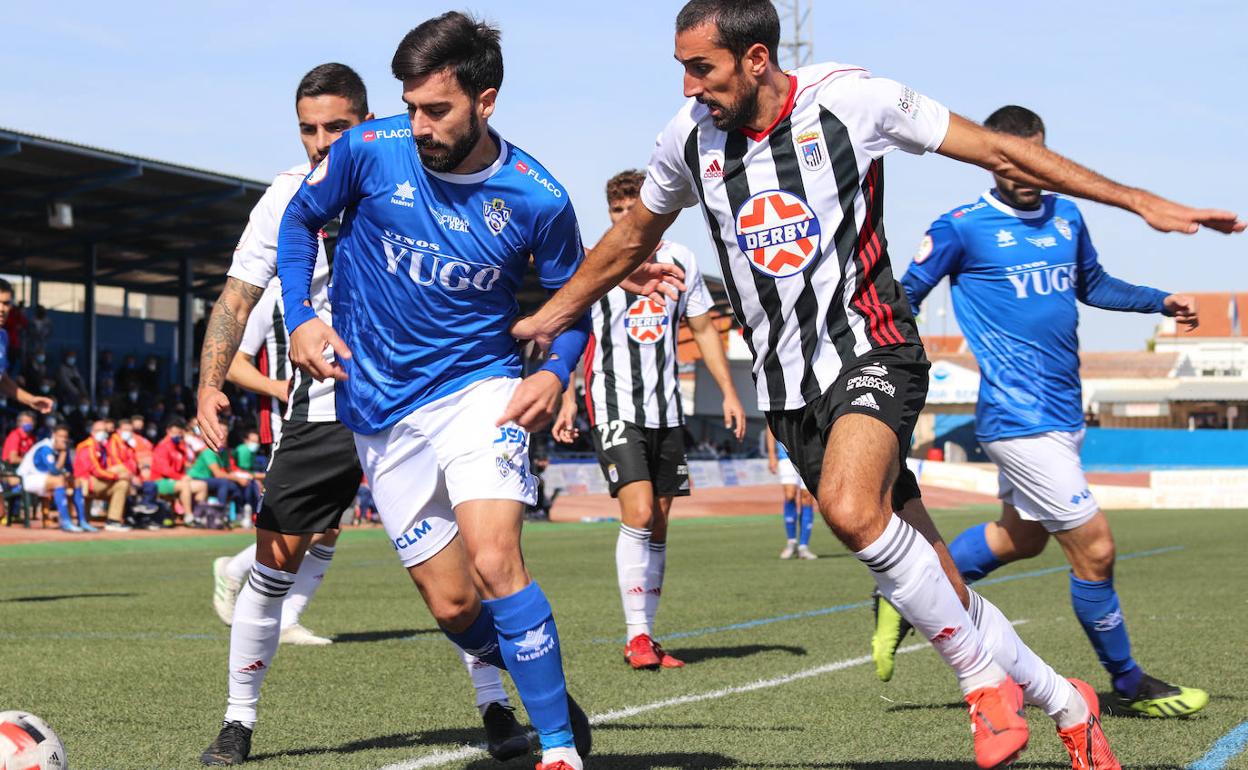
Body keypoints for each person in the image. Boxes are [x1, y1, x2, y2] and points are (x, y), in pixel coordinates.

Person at [510, 2, 1238, 766]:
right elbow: (631, 236)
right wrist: (548, 318)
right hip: (788, 390)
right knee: (940, 586)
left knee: (853, 511)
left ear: (756, 57)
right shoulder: (687, 140)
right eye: (683, 70)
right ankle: (1068, 702)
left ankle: (982, 681)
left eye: (703, 68)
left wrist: (1140, 202)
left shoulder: (851, 102)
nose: (691, 87)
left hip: (870, 348)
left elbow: (999, 150)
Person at [270, 16, 686, 768]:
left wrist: (555, 372)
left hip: (479, 391)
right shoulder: (367, 150)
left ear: (485, 100)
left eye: (438, 110)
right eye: (410, 106)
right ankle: (545, 687)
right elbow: (299, 221)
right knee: (455, 604)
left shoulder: (538, 198)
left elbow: (570, 305)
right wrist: (301, 317)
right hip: (378, 407)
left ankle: (557, 748)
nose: (419, 125)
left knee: (496, 562)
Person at [197, 61, 527, 766]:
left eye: (336, 127)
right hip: (320, 410)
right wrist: (208, 385)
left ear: (368, 120)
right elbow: (235, 298)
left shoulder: (411, 175)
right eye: (308, 129)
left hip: (418, 403)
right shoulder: (286, 195)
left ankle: (502, 704)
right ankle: (237, 721)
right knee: (274, 562)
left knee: (459, 586)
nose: (320, 142)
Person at [877, 105, 1207, 719]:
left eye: (1039, 157)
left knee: (1019, 538)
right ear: (992, 155)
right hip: (1016, 415)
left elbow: (1094, 284)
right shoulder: (961, 226)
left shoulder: (1068, 214)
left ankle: (906, 598)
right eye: (1016, 159)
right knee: (1097, 550)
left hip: (1062, 411)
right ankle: (1129, 681)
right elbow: (904, 298)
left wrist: (1159, 301)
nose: (1030, 171)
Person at [551, 169, 747, 671]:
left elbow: (703, 328)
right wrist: (568, 395)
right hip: (613, 403)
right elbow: (573, 325)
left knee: (658, 523)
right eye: (615, 210)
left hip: (666, 409)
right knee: (637, 513)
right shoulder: (595, 261)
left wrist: (727, 391)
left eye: (630, 208)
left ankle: (648, 636)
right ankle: (636, 637)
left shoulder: (681, 260)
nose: (622, 218)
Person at [18, 424, 87, 532]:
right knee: (59, 481)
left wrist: (68, 474)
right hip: (27, 479)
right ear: (54, 435)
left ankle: (82, 521)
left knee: (77, 482)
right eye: (60, 436)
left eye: (65, 437)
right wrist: (64, 453)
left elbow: (68, 469)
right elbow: (54, 471)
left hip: (45, 478)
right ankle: (65, 522)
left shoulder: (62, 448)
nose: (63, 439)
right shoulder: (45, 447)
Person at [764, 426, 815, 560]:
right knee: (789, 495)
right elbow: (770, 426)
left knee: (807, 497)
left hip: (809, 454)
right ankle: (791, 542)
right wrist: (771, 454)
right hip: (785, 454)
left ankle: (803, 546)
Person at [73, 419, 131, 531]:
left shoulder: (102, 447)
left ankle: (113, 521)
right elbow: (96, 471)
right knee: (122, 476)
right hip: (85, 482)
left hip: (98, 481)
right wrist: (117, 476)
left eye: (104, 430)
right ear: (92, 432)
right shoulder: (88, 446)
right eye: (98, 430)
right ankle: (116, 519)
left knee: (123, 482)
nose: (102, 433)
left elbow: (106, 467)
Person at [150, 418, 208, 522]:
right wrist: (181, 477)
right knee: (184, 484)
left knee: (202, 485)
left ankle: (198, 516)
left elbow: (184, 466)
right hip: (159, 481)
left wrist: (185, 476)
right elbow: (164, 470)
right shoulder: (162, 446)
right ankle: (188, 516)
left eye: (180, 433)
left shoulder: (180, 447)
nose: (178, 435)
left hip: (176, 480)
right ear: (168, 431)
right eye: (175, 433)